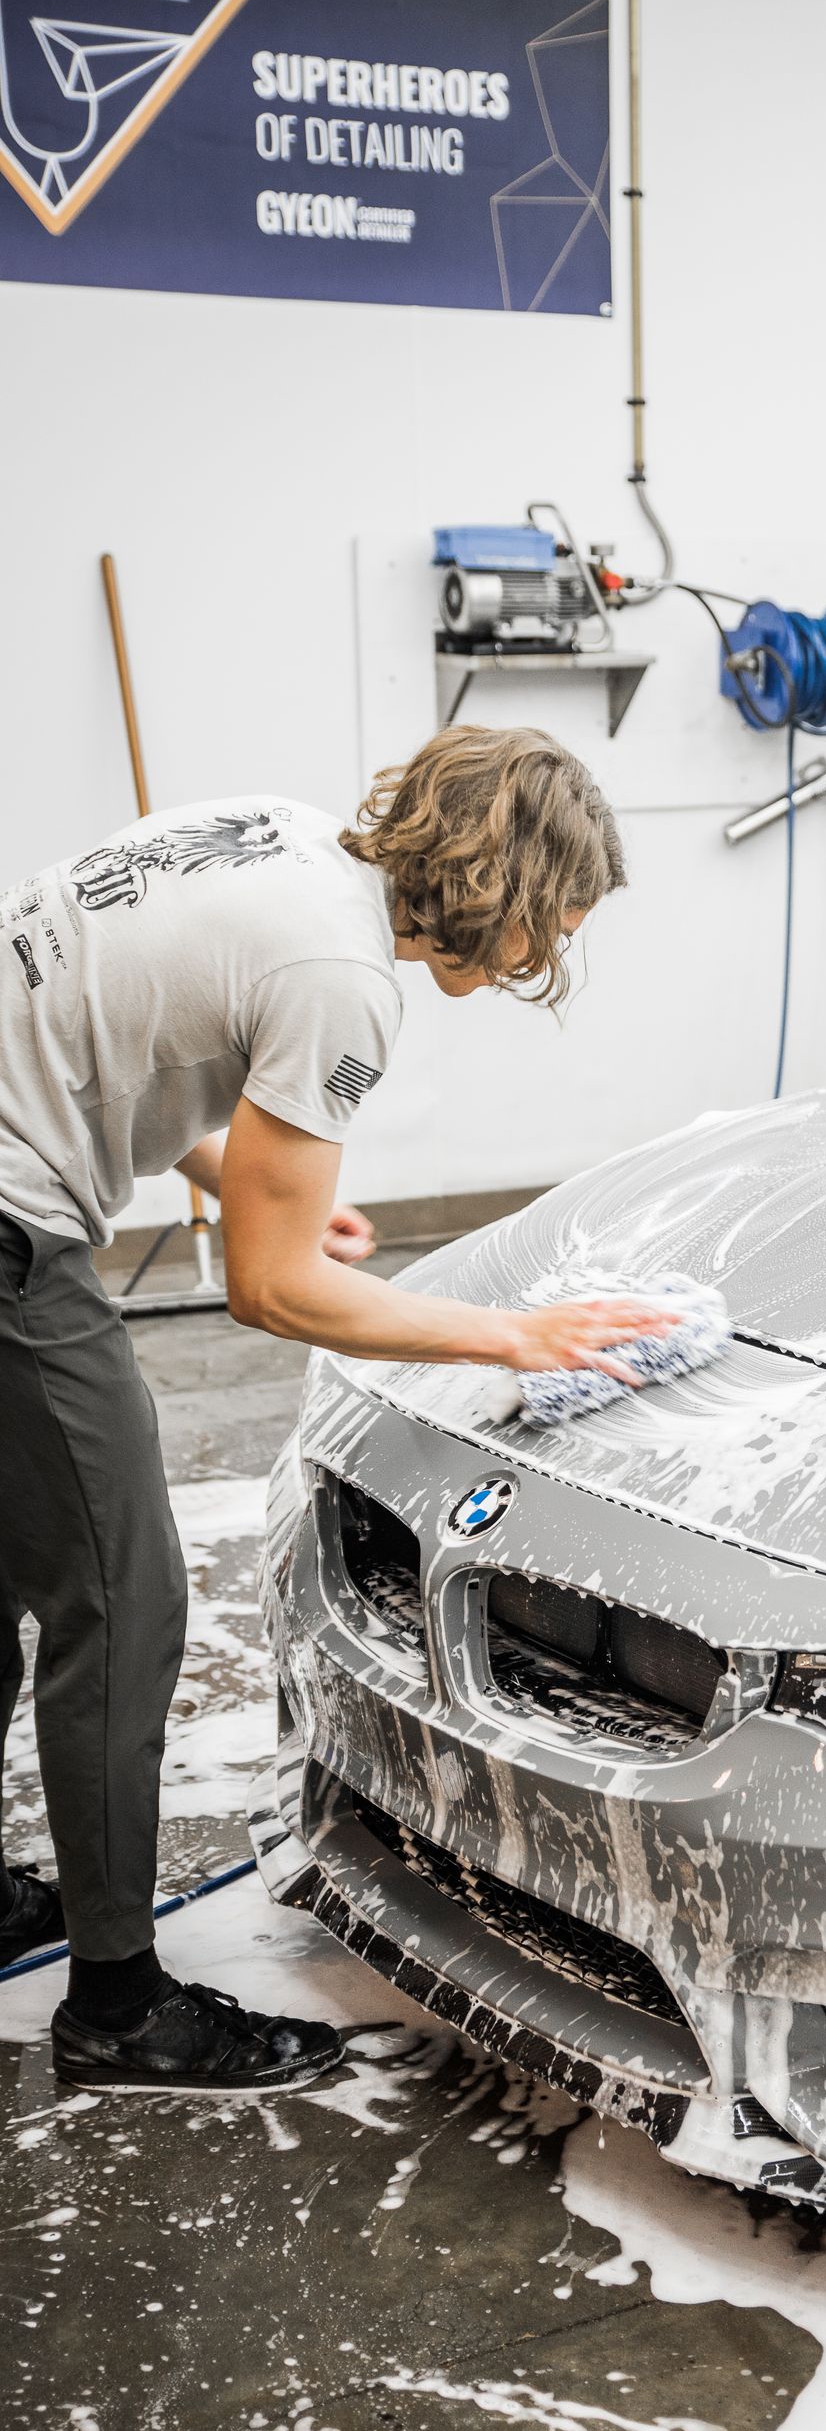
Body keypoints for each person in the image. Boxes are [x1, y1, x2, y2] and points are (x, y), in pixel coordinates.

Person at [0, 724, 674, 2093]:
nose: (550, 953)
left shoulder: (284, 837)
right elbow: (269, 1288)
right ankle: (119, 2008)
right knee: (123, 1602)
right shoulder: (345, 980)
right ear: (513, 892)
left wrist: (237, 1165)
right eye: (559, 919)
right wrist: (513, 1333)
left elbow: (117, 1038)